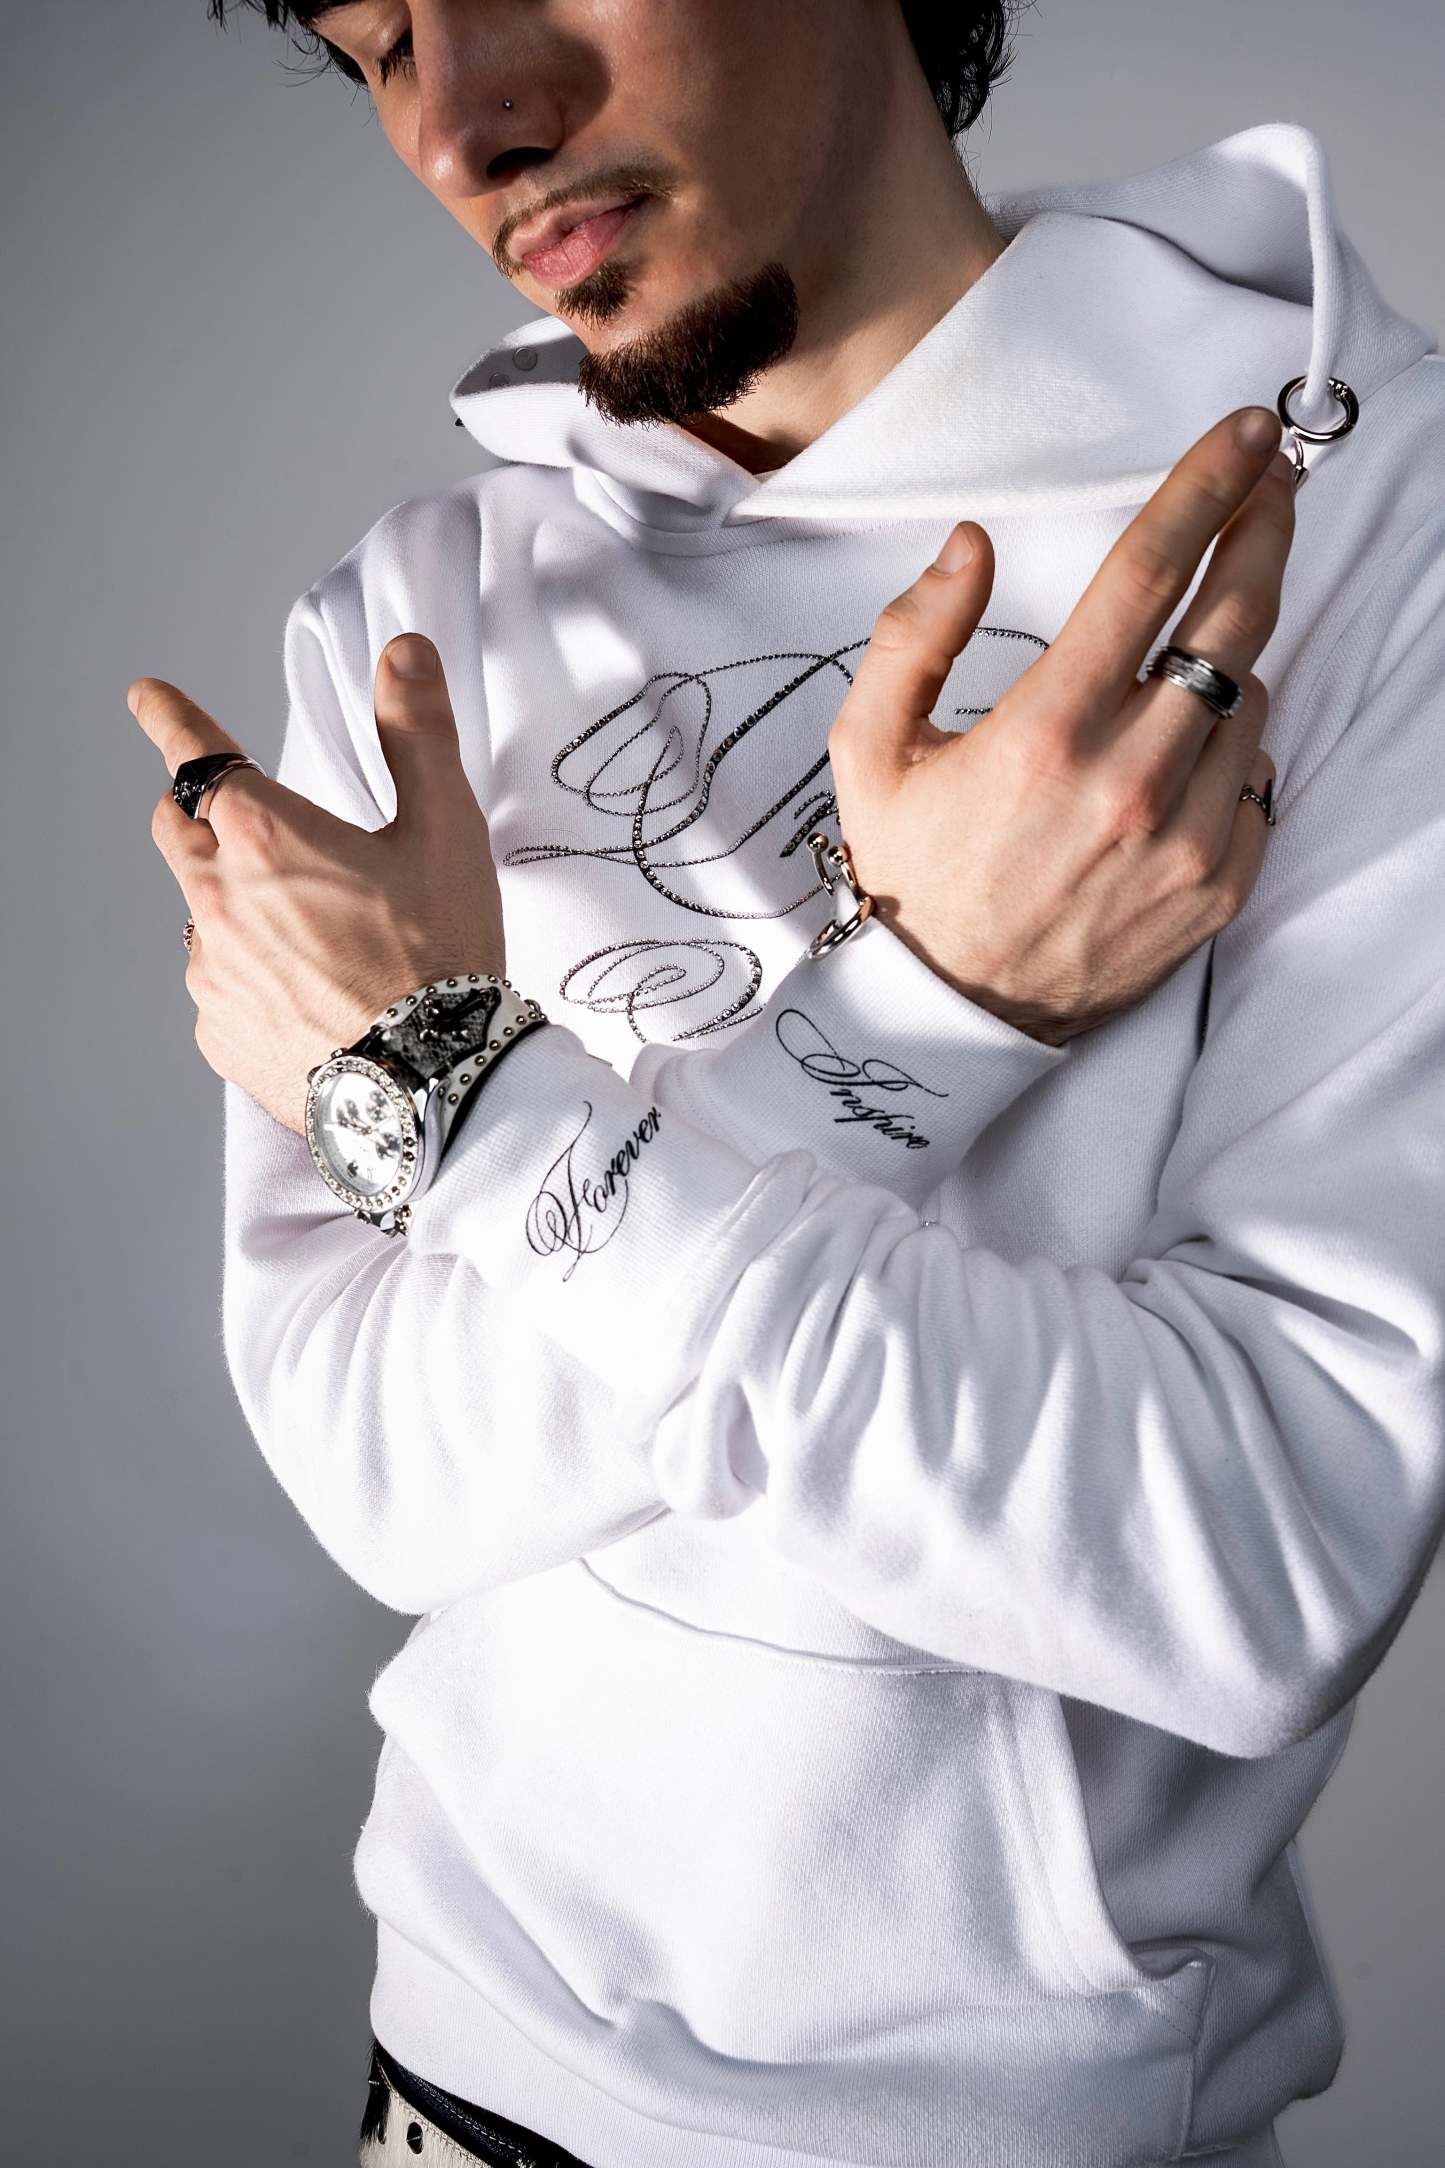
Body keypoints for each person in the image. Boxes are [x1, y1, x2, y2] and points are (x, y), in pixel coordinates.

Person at [131, 2, 1445, 2162]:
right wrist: (927, 1010)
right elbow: (386, 1475)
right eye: (380, 44)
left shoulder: (1371, 529)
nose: (463, 127)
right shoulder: (417, 620)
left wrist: (470, 1115)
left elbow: (1262, 1558)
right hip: (439, 2083)